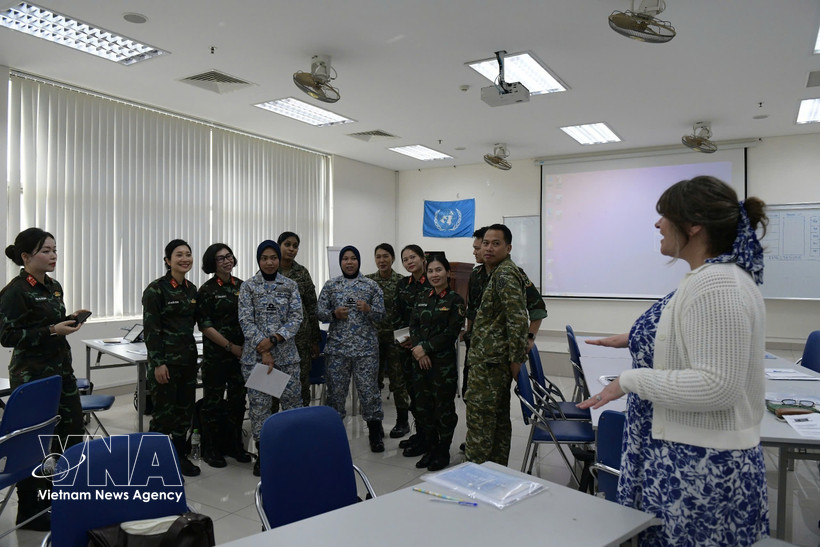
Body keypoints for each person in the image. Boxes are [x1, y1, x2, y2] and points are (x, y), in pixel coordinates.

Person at [578, 176, 769, 546]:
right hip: (687, 458)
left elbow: (717, 386)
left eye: (664, 215)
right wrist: (635, 338)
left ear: (694, 225)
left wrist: (631, 380)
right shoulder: (711, 279)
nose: (657, 224)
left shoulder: (717, 284)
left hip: (700, 468)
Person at [0, 228, 87, 530]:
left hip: (61, 372)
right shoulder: (15, 291)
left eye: (54, 250)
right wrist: (51, 330)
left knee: (71, 432)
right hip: (32, 377)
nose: (53, 256)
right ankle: (29, 510)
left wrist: (67, 322)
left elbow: (50, 322)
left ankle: (58, 495)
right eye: (46, 251)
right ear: (26, 256)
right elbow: (7, 336)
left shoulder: (54, 286)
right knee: (35, 444)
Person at [464, 224, 529, 465]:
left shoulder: (504, 274)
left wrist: (515, 360)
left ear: (508, 247)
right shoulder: (497, 272)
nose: (488, 248)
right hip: (490, 361)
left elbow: (518, 320)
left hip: (490, 364)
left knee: (480, 423)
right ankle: (496, 472)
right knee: (498, 422)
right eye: (486, 243)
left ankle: (474, 477)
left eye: (496, 243)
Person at [239, 240, 303, 476]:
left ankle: (292, 451)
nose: (269, 262)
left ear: (279, 259)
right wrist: (264, 350)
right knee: (260, 409)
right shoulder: (248, 287)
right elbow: (246, 321)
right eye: (264, 258)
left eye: (273, 257)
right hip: (257, 360)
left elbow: (296, 317)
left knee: (292, 407)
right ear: (258, 260)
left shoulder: (290, 285)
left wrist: (275, 339)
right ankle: (264, 454)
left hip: (286, 358)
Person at [317, 245, 386, 452]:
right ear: (340, 262)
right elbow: (319, 312)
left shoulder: (371, 285)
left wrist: (369, 309)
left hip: (365, 350)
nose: (349, 262)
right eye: (345, 258)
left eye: (353, 258)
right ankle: (333, 434)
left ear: (359, 261)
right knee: (336, 394)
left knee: (369, 392)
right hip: (338, 350)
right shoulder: (331, 285)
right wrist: (333, 314)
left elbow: (382, 316)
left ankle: (375, 432)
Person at [463, 226, 547, 395]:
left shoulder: (508, 274)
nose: (479, 251)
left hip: (495, 355)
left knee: (486, 407)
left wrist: (528, 339)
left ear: (507, 248)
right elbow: (472, 310)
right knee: (471, 394)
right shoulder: (476, 274)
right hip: (478, 348)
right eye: (483, 245)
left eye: (478, 247)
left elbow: (530, 311)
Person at [142, 239, 200, 477]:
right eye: (179, 255)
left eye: (188, 254)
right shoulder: (156, 289)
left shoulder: (192, 289)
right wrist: (158, 363)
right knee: (164, 415)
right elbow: (151, 329)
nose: (185, 259)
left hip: (187, 360)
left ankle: (179, 457)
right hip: (165, 362)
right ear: (168, 261)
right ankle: (153, 462)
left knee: (184, 413)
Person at [408, 254, 465, 471]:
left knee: (443, 409)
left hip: (443, 366)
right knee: (424, 408)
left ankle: (443, 450)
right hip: (420, 363)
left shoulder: (455, 300)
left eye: (438, 270)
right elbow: (413, 325)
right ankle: (431, 447)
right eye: (430, 271)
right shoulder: (422, 297)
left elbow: (451, 333)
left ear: (448, 273)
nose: (434, 274)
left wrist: (427, 348)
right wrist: (419, 351)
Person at [196, 243, 251, 467]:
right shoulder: (207, 290)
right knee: (214, 403)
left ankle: (235, 444)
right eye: (220, 258)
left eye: (229, 256)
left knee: (238, 402)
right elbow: (205, 326)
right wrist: (230, 346)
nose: (227, 261)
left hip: (241, 357)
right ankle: (211, 448)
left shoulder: (243, 286)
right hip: (217, 357)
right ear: (212, 263)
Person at [365, 243, 411, 438]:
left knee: (398, 381)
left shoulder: (402, 282)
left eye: (385, 256)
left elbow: (407, 312)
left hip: (395, 339)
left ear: (392, 259)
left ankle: (402, 422)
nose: (382, 260)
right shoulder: (368, 281)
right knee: (372, 382)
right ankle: (375, 424)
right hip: (373, 339)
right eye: (378, 257)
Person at [393, 244, 432, 457]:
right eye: (405, 259)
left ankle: (428, 437)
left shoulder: (433, 281)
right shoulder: (402, 284)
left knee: (426, 394)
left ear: (422, 257)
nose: (410, 262)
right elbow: (397, 313)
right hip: (405, 346)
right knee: (413, 393)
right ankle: (419, 433)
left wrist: (417, 340)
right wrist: (402, 338)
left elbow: (432, 319)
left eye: (413, 257)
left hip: (425, 349)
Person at [277, 231, 321, 407]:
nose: (291, 249)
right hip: (276, 340)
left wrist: (315, 339)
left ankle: (302, 424)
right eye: (287, 244)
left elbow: (312, 307)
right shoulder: (269, 269)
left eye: (295, 246)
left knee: (302, 385)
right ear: (279, 245)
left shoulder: (302, 273)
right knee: (274, 387)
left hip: (301, 340)